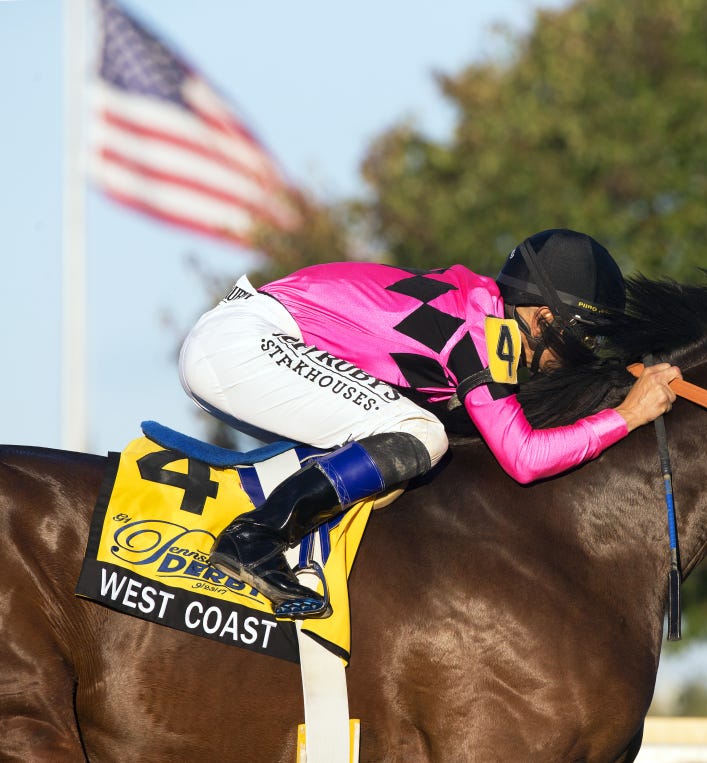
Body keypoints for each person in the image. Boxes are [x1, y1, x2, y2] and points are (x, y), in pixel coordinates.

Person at [179, 228, 681, 618]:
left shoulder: (479, 309)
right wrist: (628, 415)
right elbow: (524, 458)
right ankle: (255, 538)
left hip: (241, 340)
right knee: (421, 434)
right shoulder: (483, 329)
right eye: (586, 338)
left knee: (414, 432)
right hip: (242, 344)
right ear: (544, 318)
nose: (584, 354)